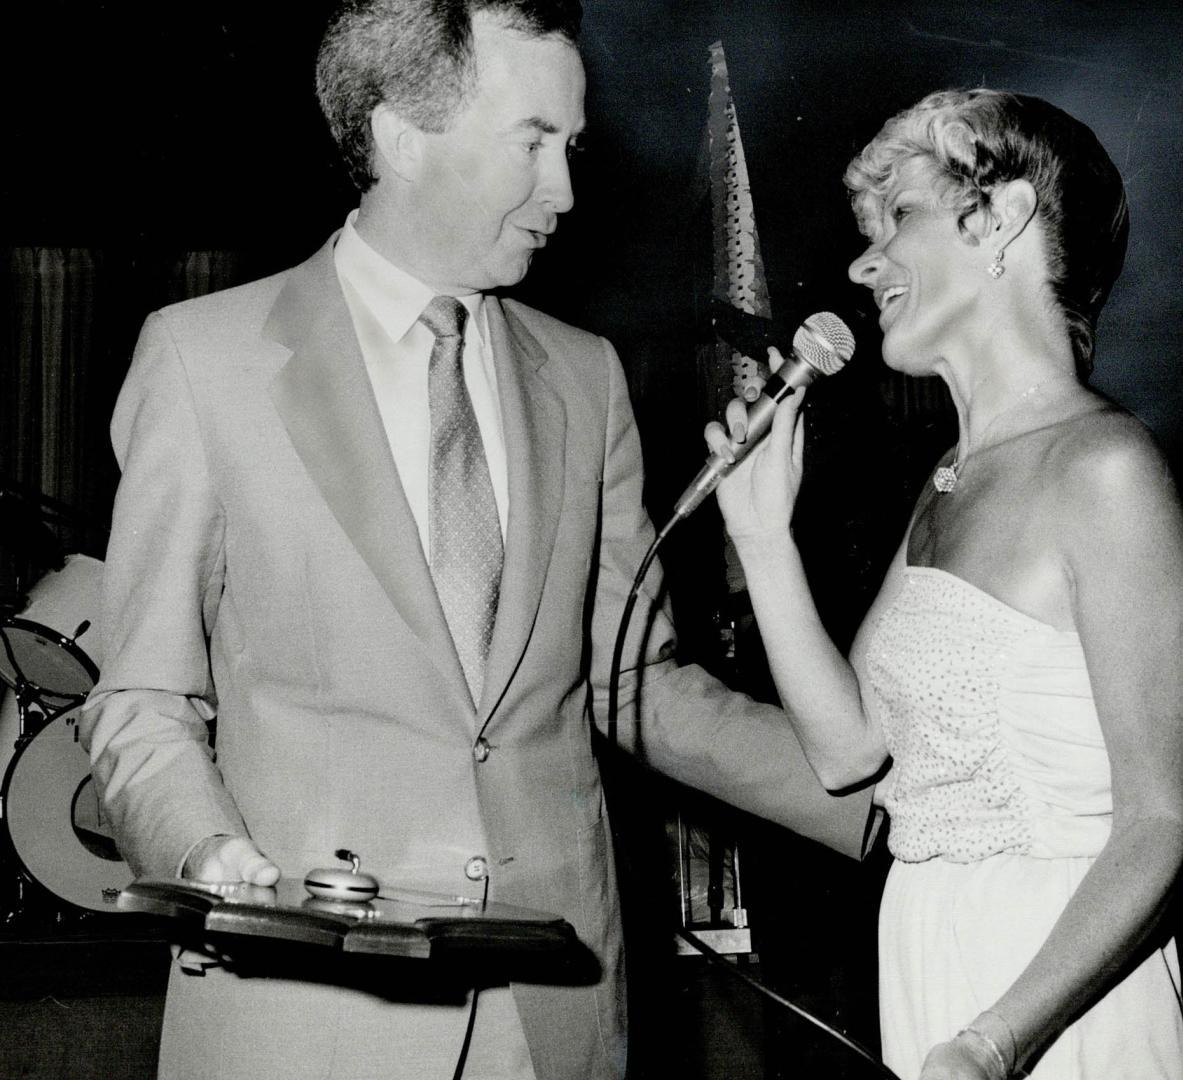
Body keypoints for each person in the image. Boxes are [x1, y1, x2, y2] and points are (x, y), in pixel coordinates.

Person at [79, 3, 875, 1078]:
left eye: (572, 147)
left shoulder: (585, 377)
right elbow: (143, 701)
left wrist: (890, 811)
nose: (567, 192)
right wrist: (206, 854)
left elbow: (635, 685)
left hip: (549, 1016)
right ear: (405, 136)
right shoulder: (202, 361)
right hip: (302, 1014)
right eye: (533, 142)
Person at [708, 88, 1183, 1079]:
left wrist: (996, 1042)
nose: (862, 262)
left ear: (1005, 218)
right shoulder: (943, 487)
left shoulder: (1104, 469)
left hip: (1050, 996)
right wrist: (762, 538)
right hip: (928, 959)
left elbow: (1161, 819)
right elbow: (848, 752)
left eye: (901, 216)